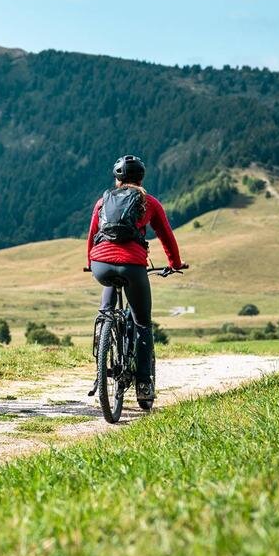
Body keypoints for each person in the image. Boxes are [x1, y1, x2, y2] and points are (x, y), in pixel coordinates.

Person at [85, 155, 184, 405]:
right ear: (141, 178)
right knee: (142, 323)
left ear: (117, 179)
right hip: (132, 265)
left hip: (100, 264)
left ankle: (101, 364)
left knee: (106, 310)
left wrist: (91, 263)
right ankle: (143, 383)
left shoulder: (102, 202)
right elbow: (166, 237)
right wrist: (174, 264)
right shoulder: (148, 202)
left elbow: (92, 235)